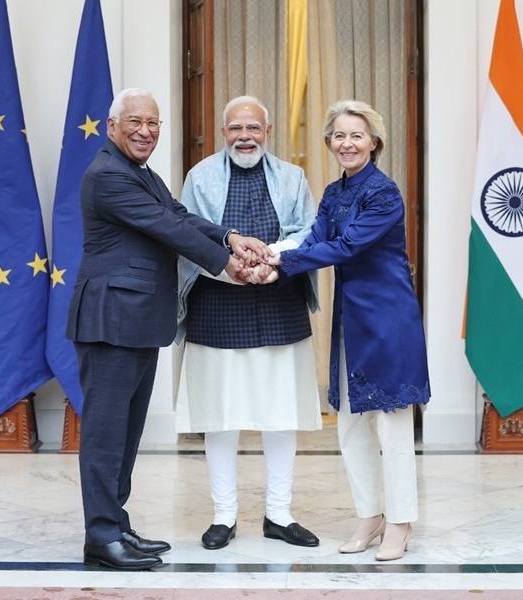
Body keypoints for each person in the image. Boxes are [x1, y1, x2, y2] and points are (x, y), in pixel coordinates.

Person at [67, 88, 272, 570]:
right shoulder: (108, 176)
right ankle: (100, 535)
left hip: (135, 321)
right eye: (135, 121)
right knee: (105, 435)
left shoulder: (138, 172)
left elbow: (177, 214)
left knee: (126, 433)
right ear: (111, 125)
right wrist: (227, 264)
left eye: (153, 123)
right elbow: (166, 228)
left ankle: (115, 524)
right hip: (110, 320)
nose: (145, 131)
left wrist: (230, 235)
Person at [271, 99, 430, 562]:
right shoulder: (332, 191)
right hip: (349, 322)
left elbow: (345, 246)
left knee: (393, 429)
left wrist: (281, 263)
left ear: (374, 142)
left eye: (356, 135)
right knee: (350, 428)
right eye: (339, 135)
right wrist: (271, 256)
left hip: (388, 322)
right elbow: (314, 238)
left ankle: (400, 522)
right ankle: (370, 516)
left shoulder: (384, 193)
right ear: (329, 143)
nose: (347, 143)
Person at [174, 96, 321, 551]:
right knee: (220, 415)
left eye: (253, 128)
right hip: (217, 304)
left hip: (279, 299)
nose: (244, 136)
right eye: (236, 128)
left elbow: (308, 230)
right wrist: (230, 268)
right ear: (223, 133)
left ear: (268, 131)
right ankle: (224, 516)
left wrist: (271, 262)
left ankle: (279, 514)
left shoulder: (293, 177)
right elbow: (188, 232)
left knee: (281, 414)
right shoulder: (200, 177)